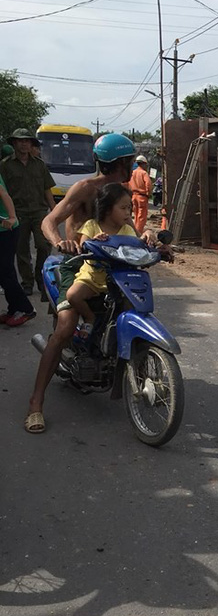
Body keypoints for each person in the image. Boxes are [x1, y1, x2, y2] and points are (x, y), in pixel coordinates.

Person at [25, 132, 138, 434]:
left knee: (134, 307)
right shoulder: (85, 188)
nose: (132, 166)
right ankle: (36, 403)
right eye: (130, 161)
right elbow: (49, 221)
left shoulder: (121, 191)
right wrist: (61, 241)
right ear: (122, 162)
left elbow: (131, 229)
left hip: (113, 267)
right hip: (77, 265)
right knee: (64, 327)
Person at [66, 184, 136, 335]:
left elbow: (138, 246)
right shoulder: (92, 225)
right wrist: (94, 242)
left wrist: (151, 237)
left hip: (119, 281)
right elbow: (83, 244)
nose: (128, 213)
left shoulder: (128, 230)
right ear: (108, 208)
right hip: (91, 278)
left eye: (129, 208)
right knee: (73, 295)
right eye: (123, 208)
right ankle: (89, 318)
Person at [0, 128, 56, 297]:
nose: (24, 144)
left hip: (39, 212)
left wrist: (55, 212)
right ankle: (27, 282)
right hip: (18, 213)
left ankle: (40, 278)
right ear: (14, 143)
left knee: (44, 246)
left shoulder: (39, 165)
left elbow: (47, 190)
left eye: (27, 141)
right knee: (21, 249)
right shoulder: (5, 165)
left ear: (31, 144)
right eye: (20, 141)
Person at [0, 173, 36, 326]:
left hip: (6, 229)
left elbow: (3, 194)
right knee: (6, 271)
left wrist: (12, 216)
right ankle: (14, 309)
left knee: (4, 272)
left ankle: (26, 308)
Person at [128, 154, 153, 235]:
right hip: (142, 197)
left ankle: (134, 231)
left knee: (136, 216)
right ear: (143, 163)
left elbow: (127, 183)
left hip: (133, 196)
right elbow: (148, 184)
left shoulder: (132, 173)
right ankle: (137, 234)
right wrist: (148, 193)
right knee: (141, 217)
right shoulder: (143, 173)